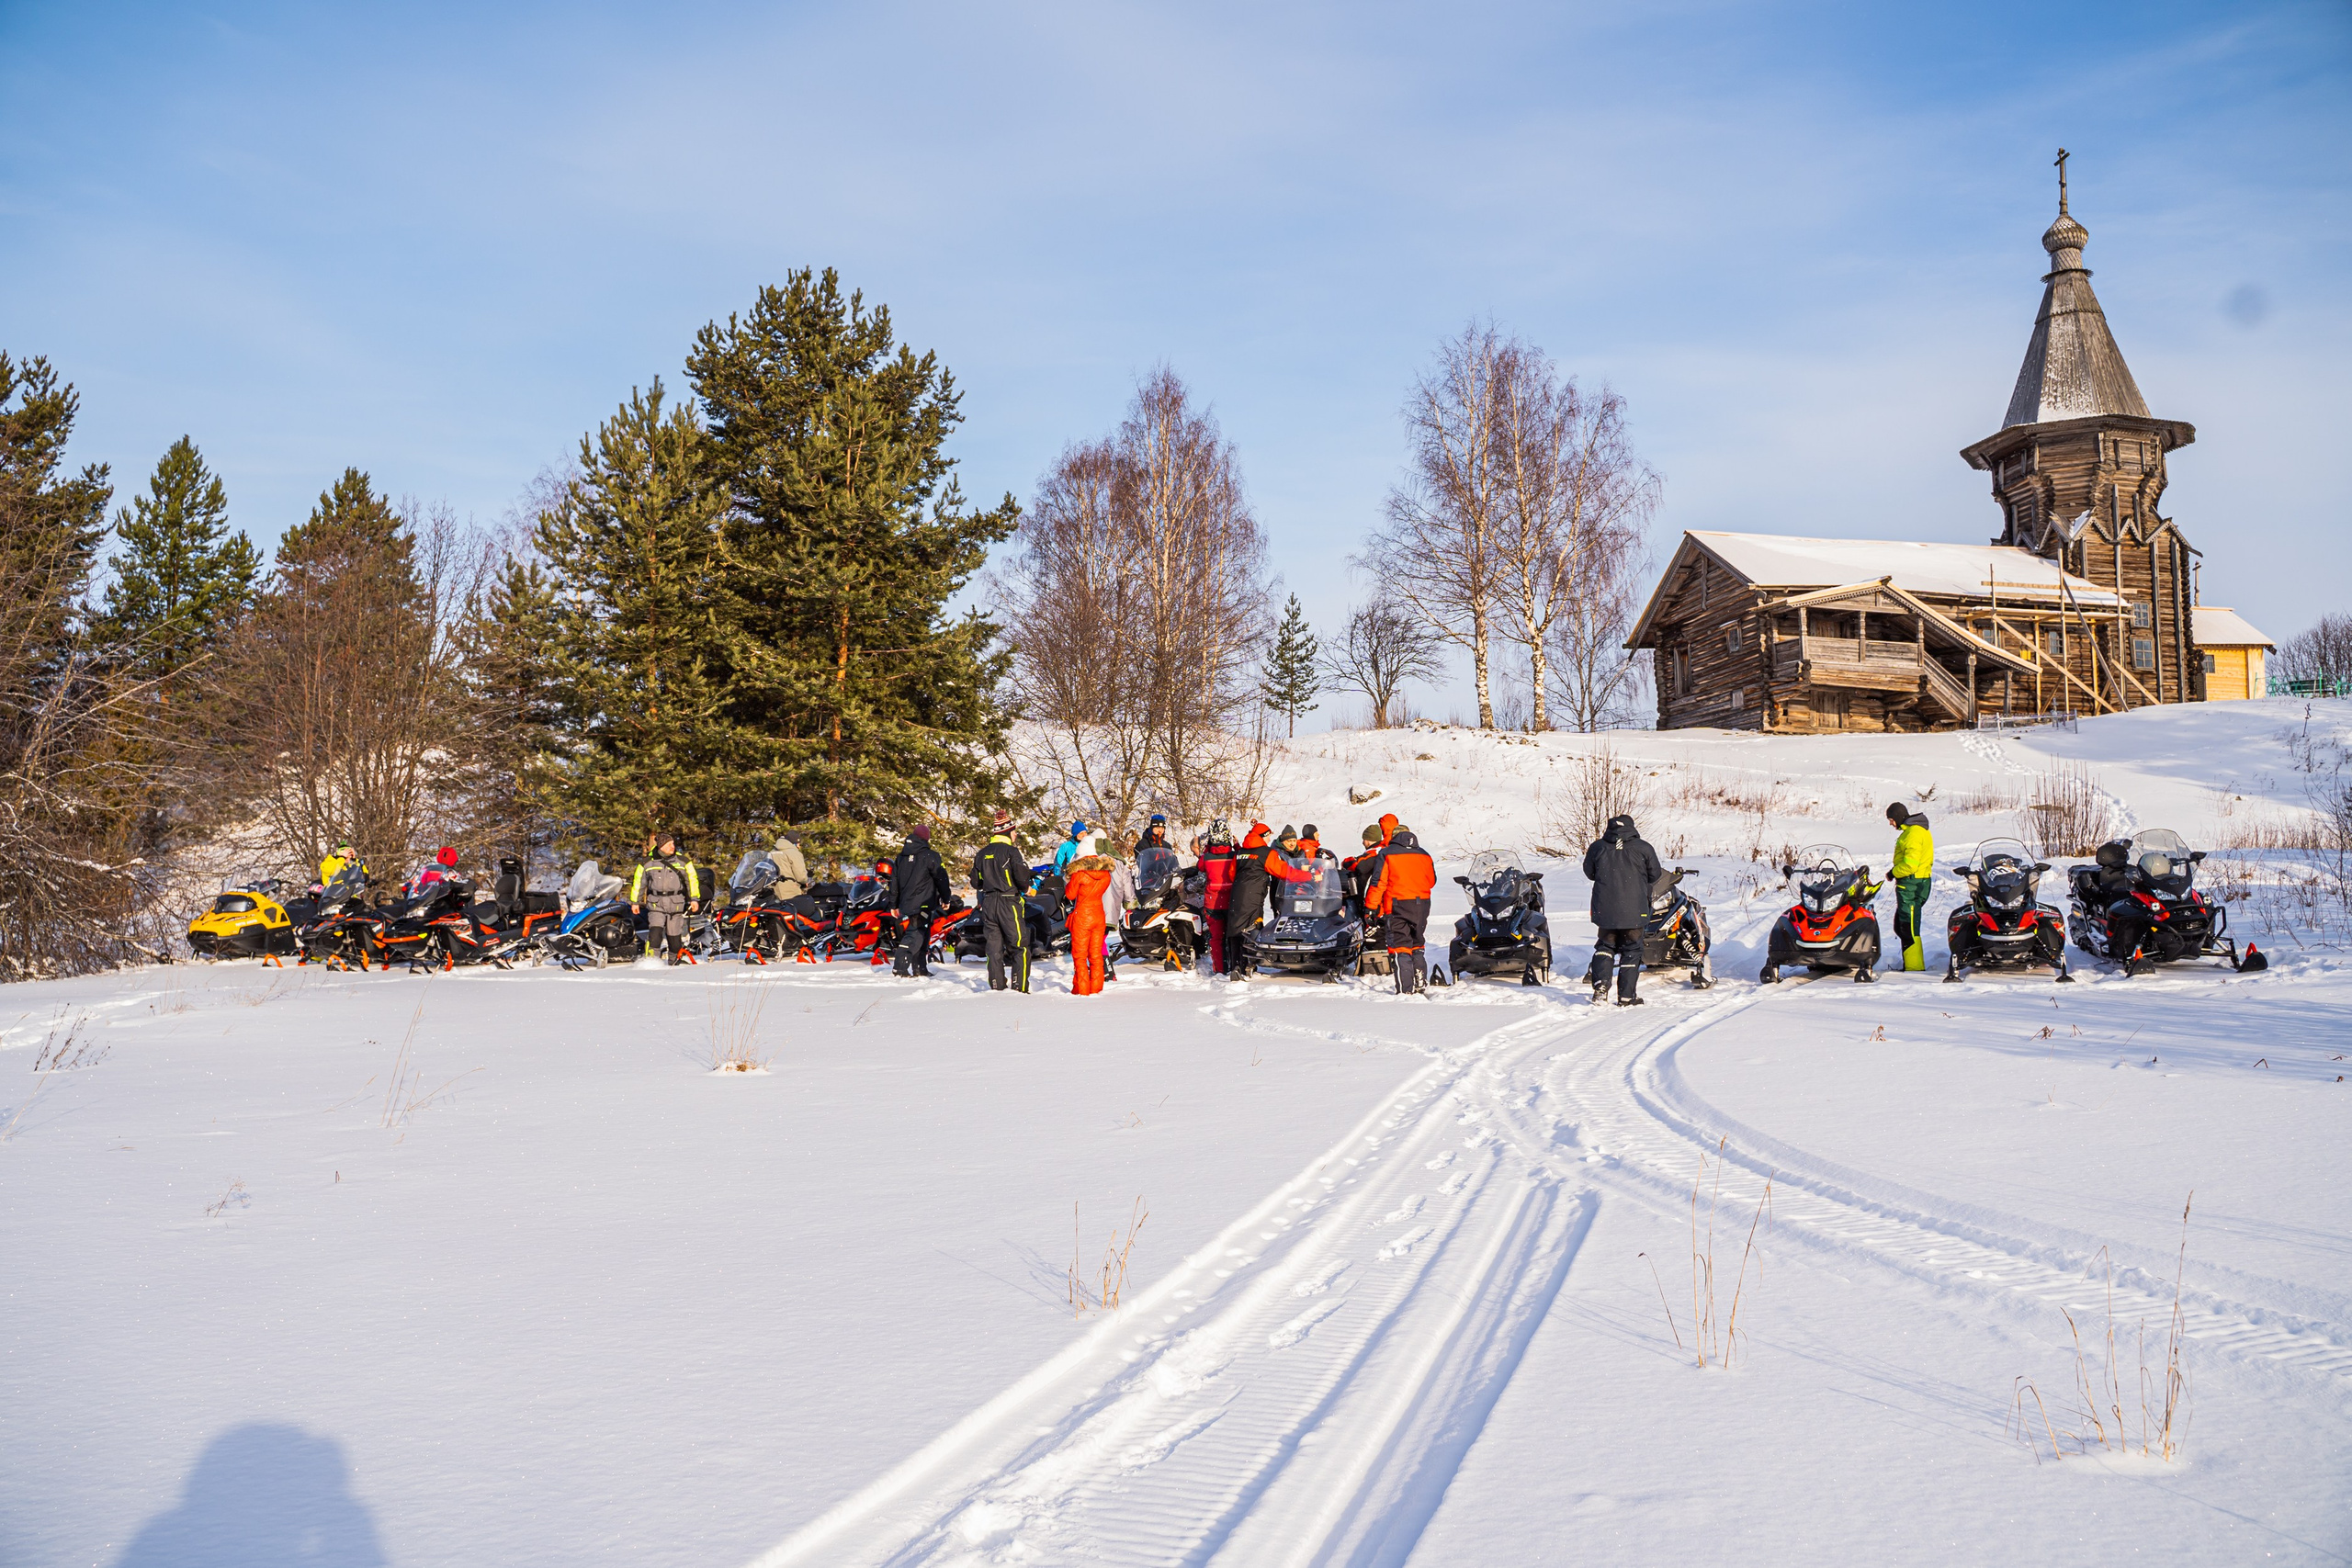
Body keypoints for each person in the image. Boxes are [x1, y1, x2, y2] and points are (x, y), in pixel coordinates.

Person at [1584, 813, 1663, 1006]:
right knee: (1632, 950)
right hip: (1635, 909)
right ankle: (1627, 996)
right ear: (1632, 827)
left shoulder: (1597, 847)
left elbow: (1589, 873)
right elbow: (1656, 875)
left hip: (1605, 909)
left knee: (1604, 947)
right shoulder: (1643, 848)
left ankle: (1601, 989)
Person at [1366, 826, 1437, 993]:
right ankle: (1420, 983)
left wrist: (1370, 907)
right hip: (1422, 905)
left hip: (1398, 905)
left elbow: (1379, 883)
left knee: (1401, 947)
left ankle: (1406, 990)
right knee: (1417, 944)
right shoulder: (1424, 854)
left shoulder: (1387, 853)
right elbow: (1432, 881)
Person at [971, 815, 1031, 992]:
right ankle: (1019, 987)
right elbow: (1021, 879)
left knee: (993, 948)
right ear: (1008, 832)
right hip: (1009, 902)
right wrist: (1025, 886)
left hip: (989, 903)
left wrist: (990, 883)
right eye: (1014, 831)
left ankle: (996, 986)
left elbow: (976, 882)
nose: (1016, 835)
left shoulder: (981, 853)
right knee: (1019, 946)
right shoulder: (1011, 852)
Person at [630, 831, 701, 964]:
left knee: (674, 938)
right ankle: (651, 963)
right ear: (661, 846)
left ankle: (675, 963)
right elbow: (639, 883)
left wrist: (694, 899)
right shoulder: (647, 863)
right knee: (655, 935)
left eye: (673, 843)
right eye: (669, 844)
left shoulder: (684, 862)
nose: (672, 846)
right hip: (656, 903)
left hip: (676, 903)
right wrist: (635, 902)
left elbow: (692, 881)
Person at [891, 825, 950, 977]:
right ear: (926, 838)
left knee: (923, 935)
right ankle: (900, 967)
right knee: (915, 934)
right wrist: (946, 898)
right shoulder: (930, 856)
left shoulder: (901, 857)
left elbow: (894, 882)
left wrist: (894, 904)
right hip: (923, 901)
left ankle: (920, 969)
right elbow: (941, 878)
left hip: (907, 902)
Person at [1226, 824, 1277, 980]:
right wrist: (1304, 875)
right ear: (1262, 836)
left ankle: (1235, 965)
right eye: (1268, 836)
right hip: (1254, 897)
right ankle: (1248, 965)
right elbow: (1282, 871)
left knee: (1235, 929)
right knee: (1251, 928)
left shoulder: (1240, 852)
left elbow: (1231, 874)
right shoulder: (1267, 853)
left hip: (1236, 896)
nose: (1269, 839)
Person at [1887, 802, 1934, 972]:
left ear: (1898, 817)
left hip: (1912, 884)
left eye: (1891, 820)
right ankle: (1911, 963)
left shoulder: (1914, 834)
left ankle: (1914, 968)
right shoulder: (1912, 831)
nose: (1891, 824)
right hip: (1911, 883)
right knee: (1902, 924)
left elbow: (1910, 865)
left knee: (1909, 926)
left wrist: (1893, 873)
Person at [1064, 852, 1115, 995]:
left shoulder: (1079, 875)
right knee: (1096, 954)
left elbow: (1070, 895)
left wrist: (1067, 880)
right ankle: (1096, 988)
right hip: (1098, 916)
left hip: (1083, 918)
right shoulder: (1105, 874)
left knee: (1080, 956)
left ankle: (1082, 990)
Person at [1199, 820, 1237, 975]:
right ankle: (1235, 965)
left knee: (1216, 938)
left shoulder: (1207, 858)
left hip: (1212, 903)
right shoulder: (1234, 855)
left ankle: (1220, 969)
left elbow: (1200, 867)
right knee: (1232, 936)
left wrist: (1207, 848)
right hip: (1231, 902)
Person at [1100, 853, 1136, 982]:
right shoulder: (1120, 863)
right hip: (1112, 908)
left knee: (1097, 941)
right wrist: (1130, 903)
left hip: (1094, 909)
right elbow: (1127, 886)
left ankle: (1107, 972)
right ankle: (1106, 971)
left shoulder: (1090, 859)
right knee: (1100, 940)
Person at [771, 829, 810, 903]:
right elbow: (801, 877)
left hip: (773, 892)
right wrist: (805, 881)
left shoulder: (772, 852)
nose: (799, 847)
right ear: (794, 843)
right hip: (790, 892)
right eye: (798, 844)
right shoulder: (794, 853)